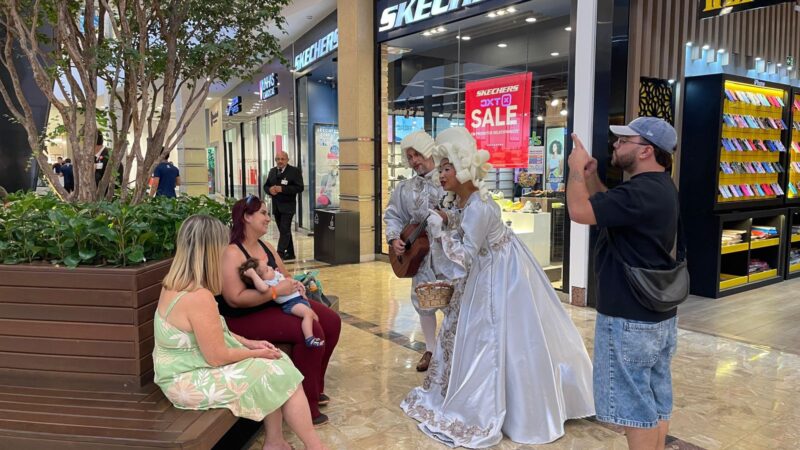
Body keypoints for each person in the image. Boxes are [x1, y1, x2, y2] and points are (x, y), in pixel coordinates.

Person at [401, 127, 594, 448]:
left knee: (494, 334)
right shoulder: (467, 201)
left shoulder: (478, 206)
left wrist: (439, 231)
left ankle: (509, 404)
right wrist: (448, 220)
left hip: (498, 273)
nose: (441, 174)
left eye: (448, 168)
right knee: (483, 334)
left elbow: (463, 257)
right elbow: (467, 227)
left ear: (464, 168)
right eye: (441, 168)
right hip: (493, 266)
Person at [152, 214, 327, 450]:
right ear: (211, 251)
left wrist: (250, 343)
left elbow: (211, 331)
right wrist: (255, 353)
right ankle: (313, 447)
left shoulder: (174, 284)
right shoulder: (198, 297)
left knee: (276, 363)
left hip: (184, 368)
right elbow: (217, 357)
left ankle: (276, 442)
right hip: (185, 380)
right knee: (277, 369)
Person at [567, 117, 680, 450]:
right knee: (654, 398)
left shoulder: (641, 192)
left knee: (634, 407)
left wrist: (574, 169)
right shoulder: (657, 188)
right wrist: (590, 176)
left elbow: (579, 211)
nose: (615, 145)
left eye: (624, 141)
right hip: (655, 314)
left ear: (646, 150)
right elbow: (609, 207)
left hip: (630, 318)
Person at [219, 195, 341, 425]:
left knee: (332, 322)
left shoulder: (265, 246)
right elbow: (234, 299)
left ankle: (314, 387)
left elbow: (284, 275)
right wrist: (274, 292)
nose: (268, 218)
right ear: (246, 217)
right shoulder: (232, 253)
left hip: (278, 305)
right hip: (245, 317)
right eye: (263, 213)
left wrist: (295, 285)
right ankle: (306, 406)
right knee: (311, 331)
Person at [383, 130, 445, 372]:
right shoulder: (405, 188)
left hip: (449, 255)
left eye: (417, 154)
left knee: (453, 303)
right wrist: (393, 238)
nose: (414, 161)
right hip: (420, 258)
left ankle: (453, 352)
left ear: (429, 151)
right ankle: (430, 350)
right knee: (425, 302)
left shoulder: (448, 181)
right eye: (409, 157)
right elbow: (393, 215)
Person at [239, 257, 325, 348]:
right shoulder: (267, 283)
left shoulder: (275, 275)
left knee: (315, 318)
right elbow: (262, 288)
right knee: (308, 314)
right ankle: (309, 339)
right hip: (291, 304)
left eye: (268, 266)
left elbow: (286, 279)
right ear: (260, 279)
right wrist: (253, 275)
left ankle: (312, 335)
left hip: (299, 300)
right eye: (267, 270)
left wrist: (296, 283)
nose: (271, 268)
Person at [264, 151, 304, 261]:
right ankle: (290, 253)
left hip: (288, 206)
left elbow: (300, 188)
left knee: (285, 229)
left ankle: (279, 254)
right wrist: (269, 190)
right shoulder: (272, 171)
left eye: (282, 159)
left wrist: (282, 189)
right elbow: (266, 186)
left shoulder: (294, 171)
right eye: (278, 159)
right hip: (276, 207)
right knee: (283, 231)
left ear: (287, 160)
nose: (280, 161)